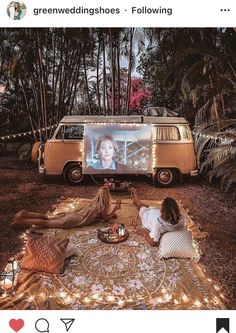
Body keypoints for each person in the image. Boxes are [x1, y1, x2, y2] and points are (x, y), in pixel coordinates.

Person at [11, 186, 121, 229]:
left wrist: (112, 214)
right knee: (46, 223)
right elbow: (106, 218)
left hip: (72, 215)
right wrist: (115, 208)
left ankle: (26, 213)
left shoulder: (95, 203)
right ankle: (22, 220)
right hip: (73, 220)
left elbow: (103, 217)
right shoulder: (101, 207)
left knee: (47, 218)